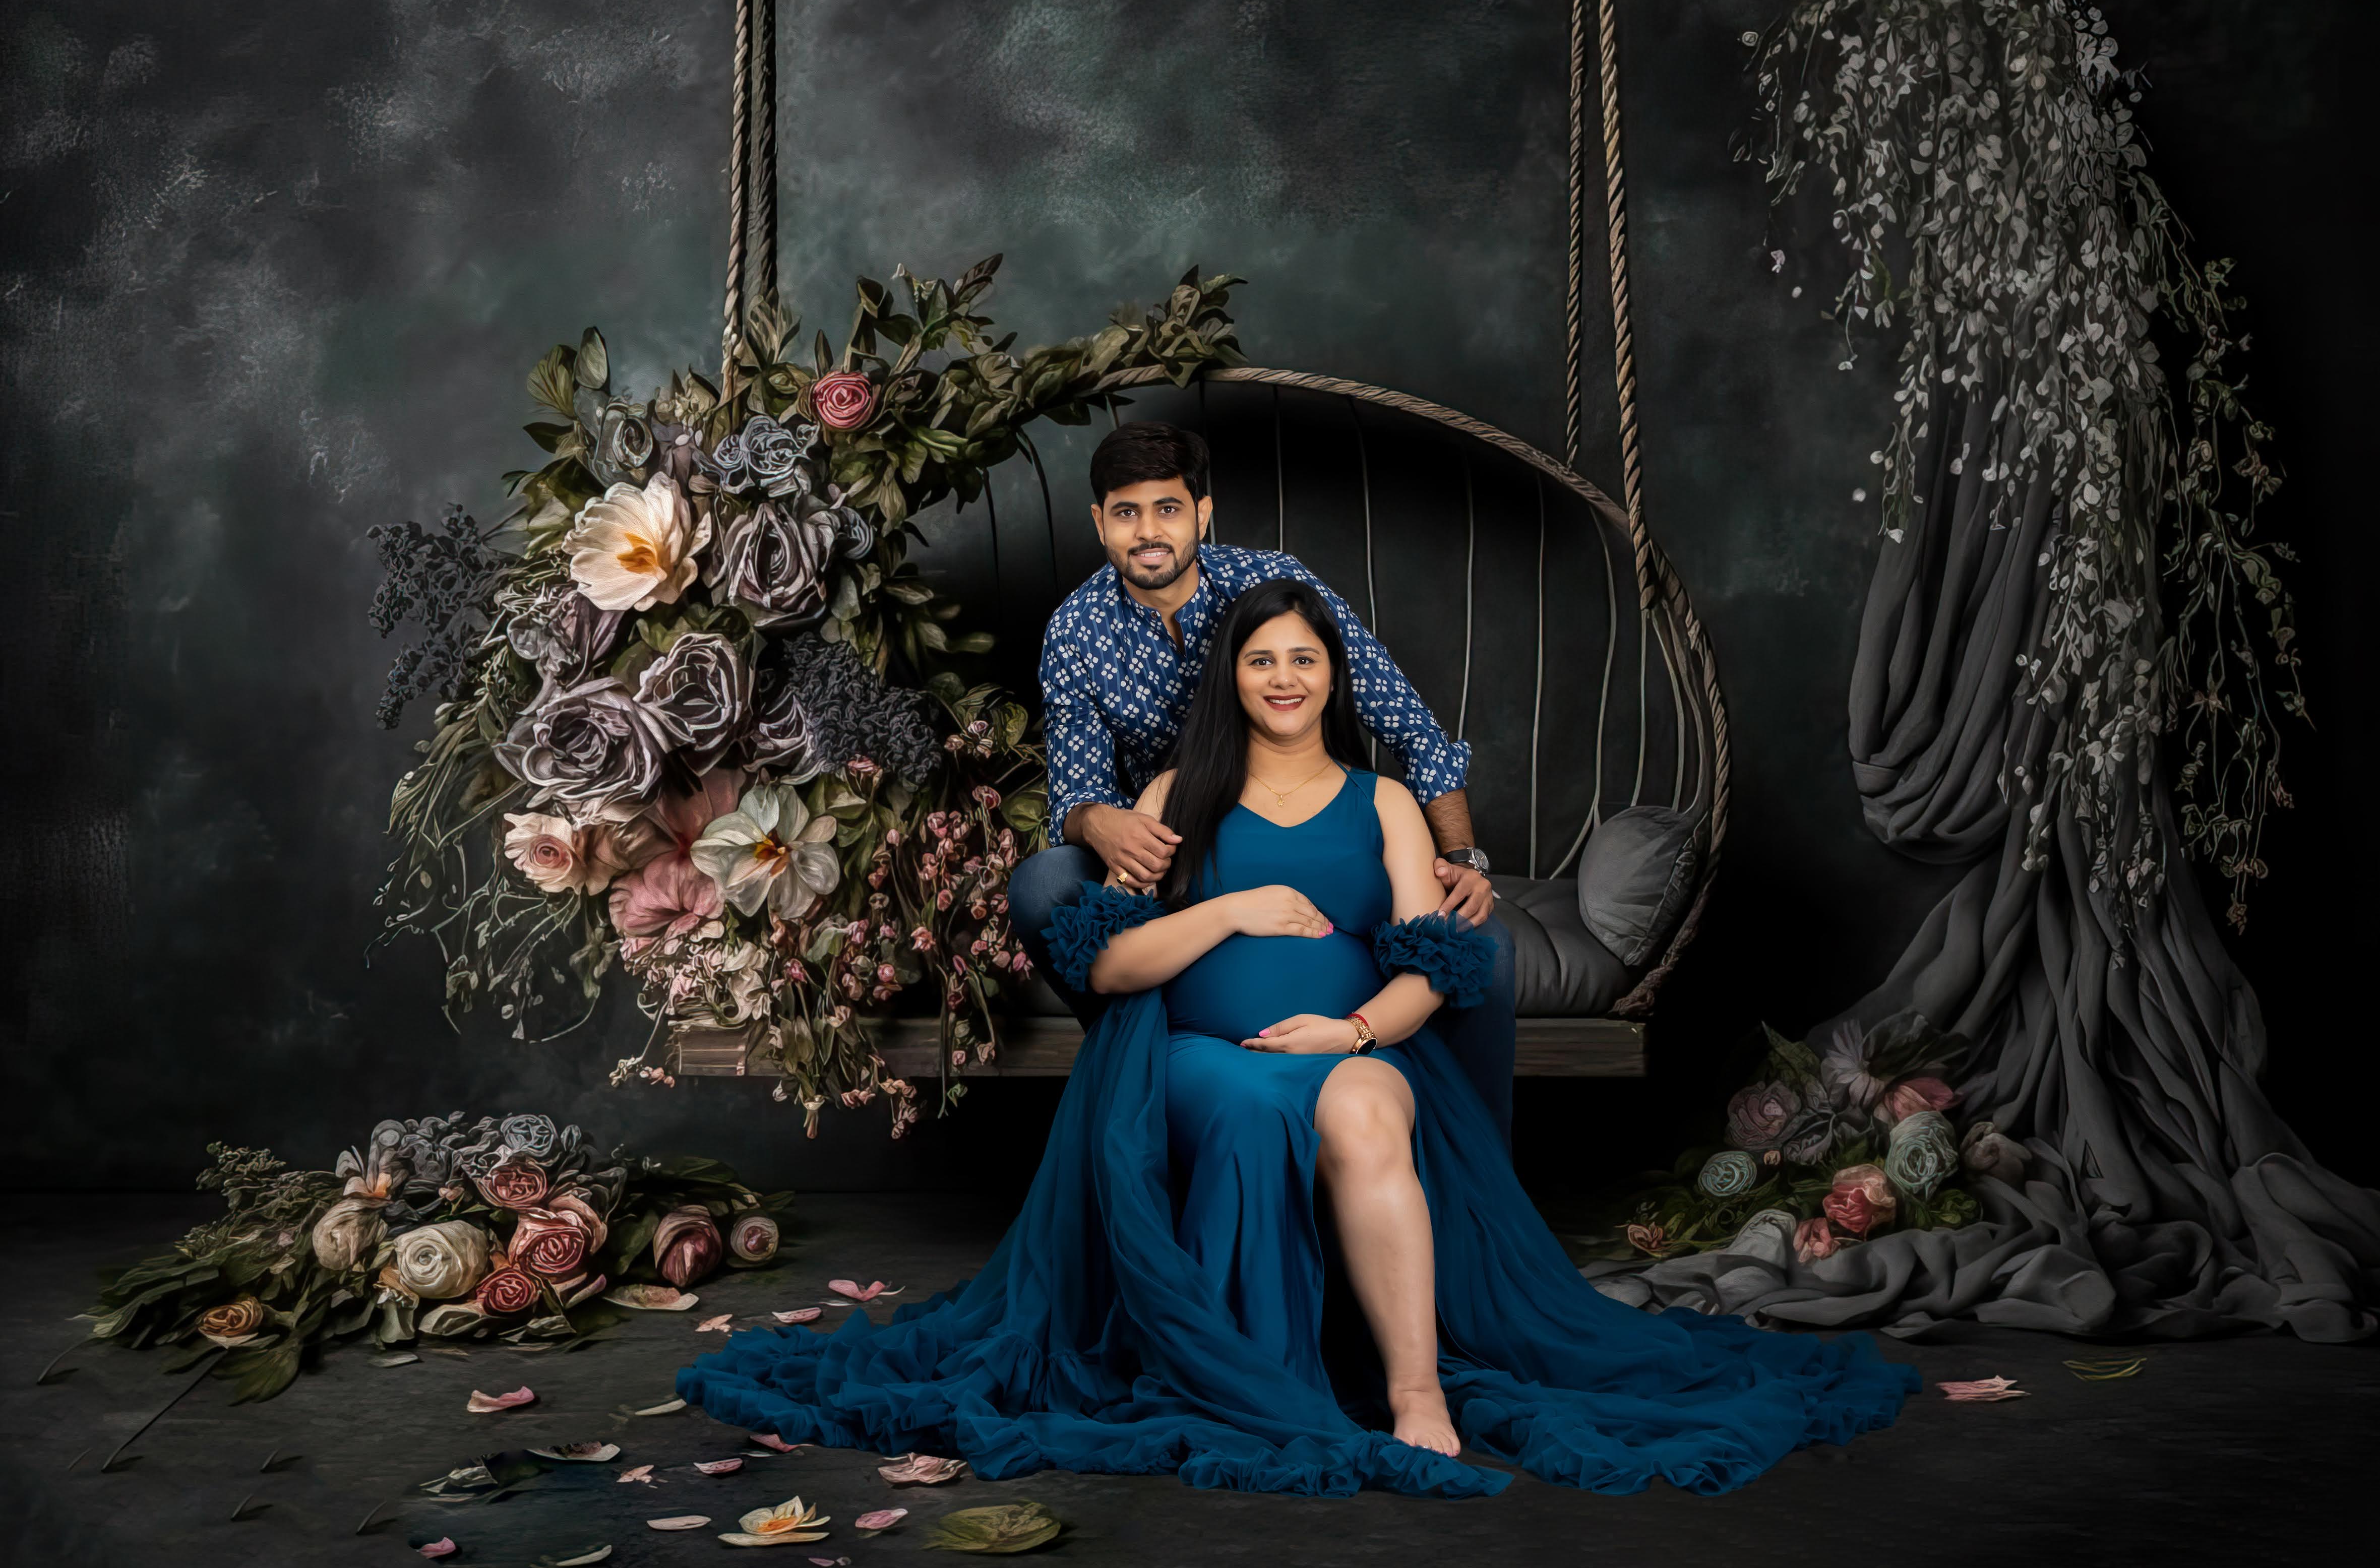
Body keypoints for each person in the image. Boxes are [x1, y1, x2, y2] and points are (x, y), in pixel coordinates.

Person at [677, 578, 1916, 1499]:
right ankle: (1262, 1369)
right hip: (1192, 1057)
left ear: (1335, 676)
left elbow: (1436, 961)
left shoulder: (1382, 803)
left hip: (1340, 1035)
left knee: (1372, 1099)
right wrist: (1228, 907)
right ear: (1231, 679)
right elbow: (1110, 964)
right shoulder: (1176, 800)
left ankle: (1416, 1390)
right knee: (1266, 1101)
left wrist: (1354, 1024)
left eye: (1305, 660)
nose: (1283, 679)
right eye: (1260, 660)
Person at [1009, 420, 1521, 1140]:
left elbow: (1411, 727)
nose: (1148, 531)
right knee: (1042, 885)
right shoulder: (1075, 628)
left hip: (1307, 823)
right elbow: (1076, 791)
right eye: (1126, 512)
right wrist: (1105, 823)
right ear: (1099, 522)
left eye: (1168, 508)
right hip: (1166, 853)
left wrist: (1462, 858)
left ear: (1203, 513)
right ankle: (1135, 1052)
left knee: (1485, 947)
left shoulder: (1270, 584)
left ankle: (1470, 1163)